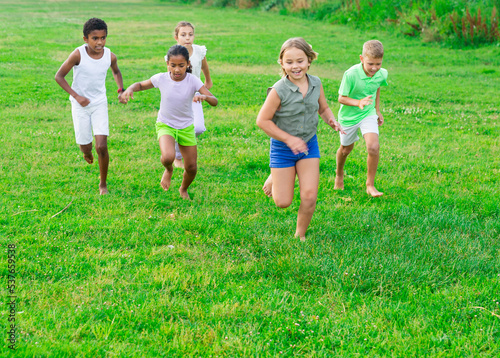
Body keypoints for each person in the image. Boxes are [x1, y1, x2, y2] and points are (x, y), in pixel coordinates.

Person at [256, 38, 345, 242]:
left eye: (300, 61)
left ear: (309, 61)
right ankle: (275, 176)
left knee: (309, 196)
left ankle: (300, 234)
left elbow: (323, 108)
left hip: (308, 145)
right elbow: (262, 120)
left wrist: (330, 119)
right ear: (282, 64)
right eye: (289, 62)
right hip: (283, 148)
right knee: (282, 202)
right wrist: (289, 139)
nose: (295, 66)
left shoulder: (316, 83)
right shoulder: (279, 90)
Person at [120, 45, 217, 200]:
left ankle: (183, 189)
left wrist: (204, 97)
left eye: (181, 66)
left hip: (186, 127)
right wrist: (130, 89)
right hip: (166, 124)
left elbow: (215, 101)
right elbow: (141, 85)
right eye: (173, 65)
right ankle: (169, 170)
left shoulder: (193, 80)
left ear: (188, 65)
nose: (177, 70)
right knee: (167, 157)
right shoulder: (161, 78)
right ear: (167, 65)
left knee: (191, 167)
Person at [55, 17, 124, 195]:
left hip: (99, 103)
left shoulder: (110, 55)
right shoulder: (78, 54)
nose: (99, 42)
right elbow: (59, 76)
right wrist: (77, 96)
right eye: (95, 38)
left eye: (103, 38)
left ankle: (103, 184)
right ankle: (86, 152)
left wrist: (120, 89)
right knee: (86, 146)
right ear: (85, 39)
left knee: (101, 146)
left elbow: (116, 71)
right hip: (80, 105)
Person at [334, 40, 388, 197]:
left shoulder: (381, 73)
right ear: (361, 59)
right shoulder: (350, 74)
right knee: (346, 149)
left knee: (373, 147)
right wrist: (358, 102)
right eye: (370, 63)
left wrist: (377, 110)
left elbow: (376, 87)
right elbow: (341, 98)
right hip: (348, 117)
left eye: (378, 64)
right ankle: (339, 174)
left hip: (368, 113)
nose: (374, 68)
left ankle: (370, 185)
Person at [172, 21, 213, 169]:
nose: (187, 38)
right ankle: (177, 156)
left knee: (199, 128)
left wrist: (208, 81)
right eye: (183, 35)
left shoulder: (199, 51)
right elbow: (170, 76)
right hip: (179, 96)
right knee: (179, 125)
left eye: (190, 34)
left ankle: (182, 144)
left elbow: (204, 67)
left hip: (196, 94)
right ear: (177, 37)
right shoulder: (174, 54)